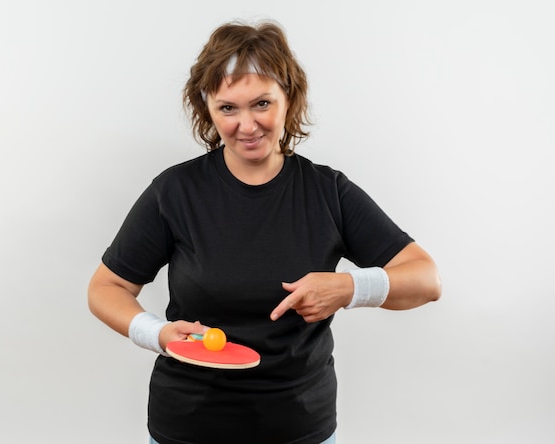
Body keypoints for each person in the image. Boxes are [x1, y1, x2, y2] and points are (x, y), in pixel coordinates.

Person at [88, 20, 441, 444]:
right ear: (208, 110)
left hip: (299, 429)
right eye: (228, 108)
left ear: (289, 100)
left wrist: (348, 287)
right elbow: (105, 287)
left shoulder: (329, 192)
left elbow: (425, 279)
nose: (247, 125)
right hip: (188, 427)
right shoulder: (175, 192)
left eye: (261, 103)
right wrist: (157, 333)